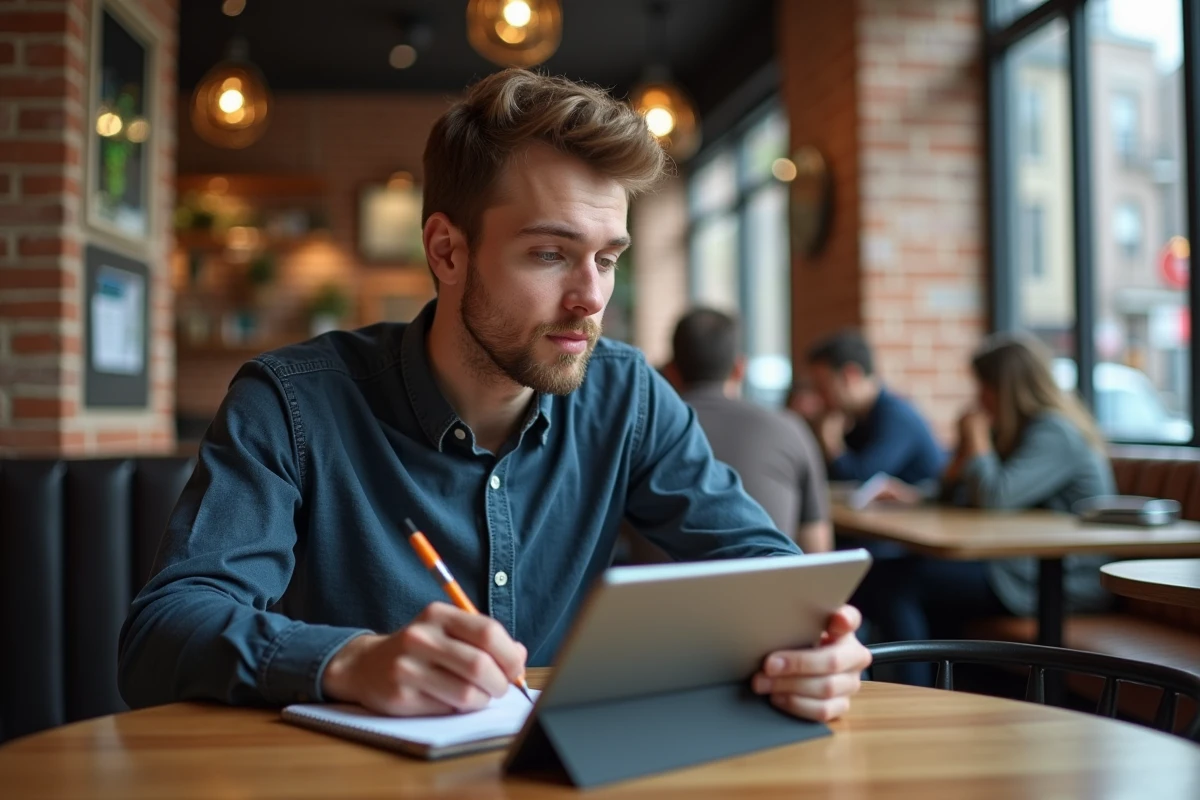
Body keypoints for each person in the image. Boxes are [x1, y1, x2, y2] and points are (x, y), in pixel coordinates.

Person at [118, 69, 869, 722]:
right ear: (447, 251)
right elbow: (163, 633)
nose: (591, 298)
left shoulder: (628, 395)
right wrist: (348, 660)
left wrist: (814, 642)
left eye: (607, 259)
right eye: (550, 254)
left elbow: (767, 570)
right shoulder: (291, 403)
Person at [851, 333, 1115, 683]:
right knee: (888, 575)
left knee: (896, 583)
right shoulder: (1016, 431)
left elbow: (995, 497)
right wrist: (925, 491)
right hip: (1017, 568)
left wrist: (977, 439)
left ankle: (916, 696)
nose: (978, 399)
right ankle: (942, 691)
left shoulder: (1054, 432)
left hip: (1060, 578)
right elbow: (965, 494)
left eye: (984, 387)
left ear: (1007, 388)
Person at [665, 308, 831, 553]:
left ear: (671, 371)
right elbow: (817, 550)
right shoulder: (789, 428)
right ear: (740, 369)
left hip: (660, 580)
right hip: (771, 578)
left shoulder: (642, 433)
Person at [806, 330, 945, 487]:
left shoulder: (897, 416)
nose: (820, 398)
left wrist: (832, 443)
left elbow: (864, 480)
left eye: (823, 387)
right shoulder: (857, 418)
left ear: (850, 376)